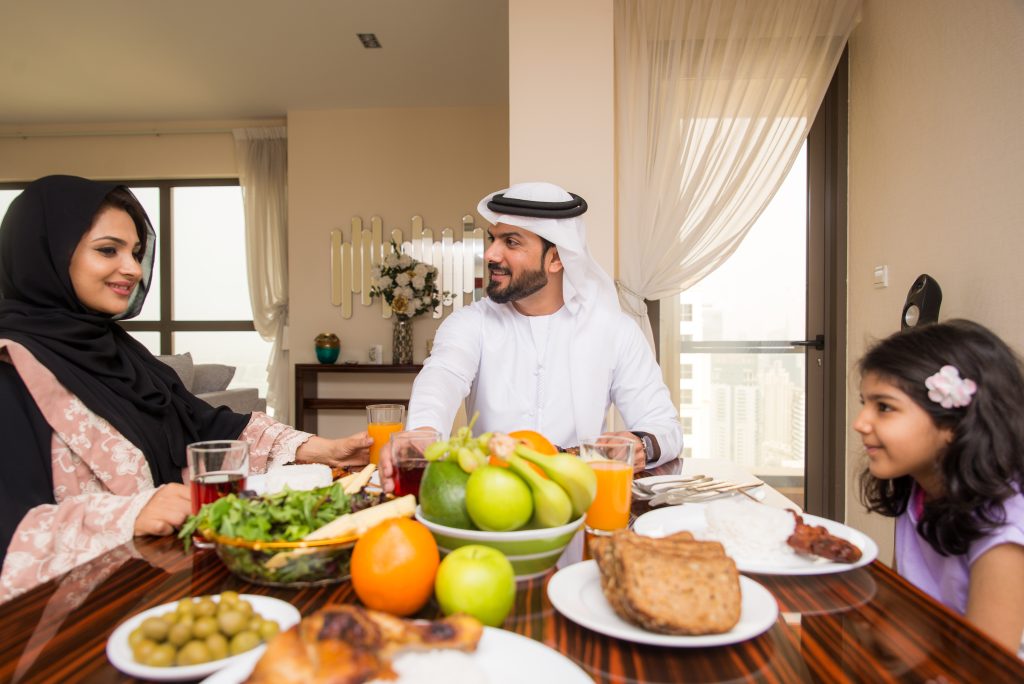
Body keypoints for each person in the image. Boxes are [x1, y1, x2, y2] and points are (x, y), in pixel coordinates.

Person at [0, 175, 372, 601]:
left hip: (165, 583)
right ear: (44, 252)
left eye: (136, 253)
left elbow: (202, 425)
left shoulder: (121, 352)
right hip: (76, 620)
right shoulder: (10, 367)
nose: (134, 269)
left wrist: (320, 448)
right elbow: (12, 532)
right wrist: (130, 513)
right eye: (109, 250)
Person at [381, 181, 682, 490]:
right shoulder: (471, 323)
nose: (490, 254)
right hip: (489, 501)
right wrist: (422, 433)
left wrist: (642, 445)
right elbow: (440, 378)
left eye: (511, 242)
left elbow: (666, 430)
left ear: (556, 258)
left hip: (581, 505)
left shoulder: (616, 332)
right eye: (493, 239)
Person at [854, 319, 1024, 654]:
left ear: (953, 424)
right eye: (865, 403)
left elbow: (985, 668)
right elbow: (904, 603)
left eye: (884, 407)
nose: (860, 423)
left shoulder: (1004, 530)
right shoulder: (916, 488)